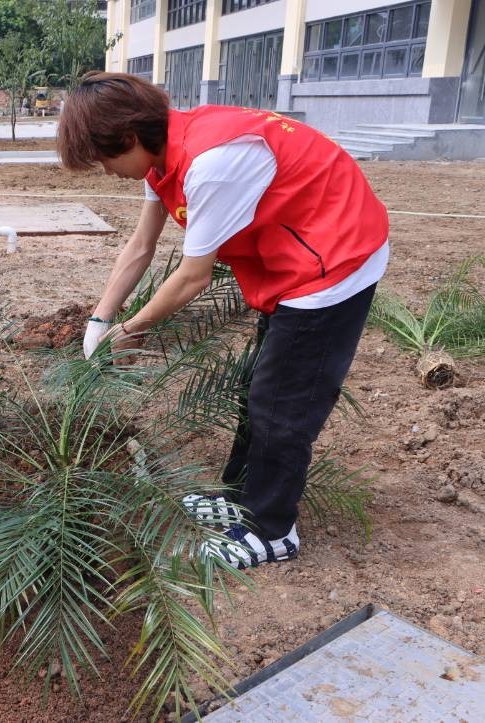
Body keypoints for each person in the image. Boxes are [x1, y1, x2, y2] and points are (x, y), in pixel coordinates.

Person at [58, 72, 389, 569]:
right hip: (292, 259)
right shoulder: (162, 154)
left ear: (128, 137)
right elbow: (142, 245)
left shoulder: (212, 163)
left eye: (104, 160)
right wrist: (100, 319)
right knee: (257, 386)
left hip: (333, 261)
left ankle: (271, 531)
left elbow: (193, 276)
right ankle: (241, 497)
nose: (107, 172)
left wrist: (130, 331)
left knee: (281, 404)